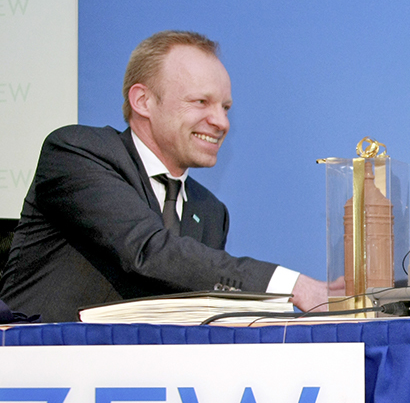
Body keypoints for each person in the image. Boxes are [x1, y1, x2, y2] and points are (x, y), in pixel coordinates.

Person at [0, 31, 333, 323]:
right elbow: (148, 251)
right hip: (37, 378)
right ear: (143, 101)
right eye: (201, 102)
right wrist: (291, 287)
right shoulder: (76, 152)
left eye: (226, 107)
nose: (221, 122)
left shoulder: (211, 211)